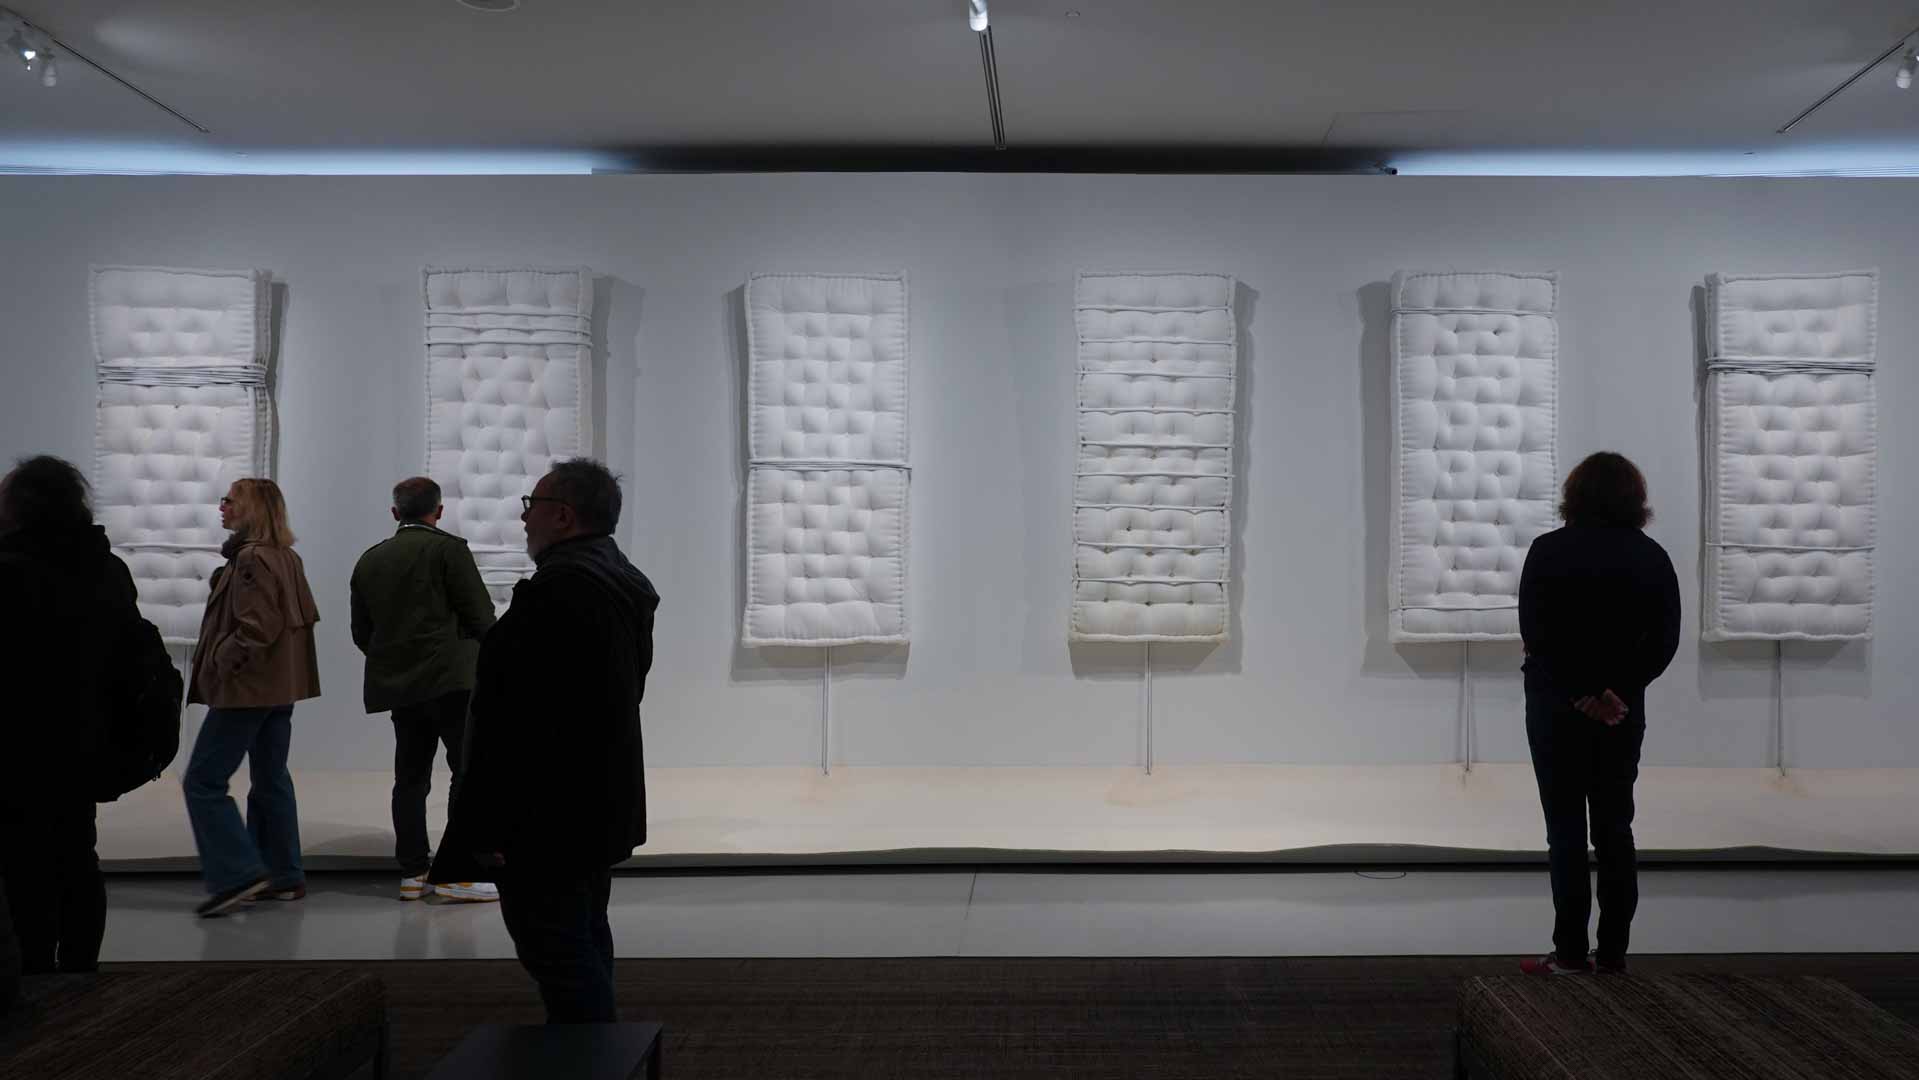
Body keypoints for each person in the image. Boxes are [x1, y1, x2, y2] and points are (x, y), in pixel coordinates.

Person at [431, 459, 658, 1023]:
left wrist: (488, 822)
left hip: (546, 816)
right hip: (591, 804)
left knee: (558, 950)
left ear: (563, 516)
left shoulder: (562, 594)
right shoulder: (616, 582)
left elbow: (517, 723)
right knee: (583, 933)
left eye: (531, 506)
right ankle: (600, 1048)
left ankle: (590, 1054)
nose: (524, 519)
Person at [1517, 451, 1681, 975]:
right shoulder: (1651, 557)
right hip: (1620, 714)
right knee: (1615, 830)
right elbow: (1664, 641)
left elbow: (1537, 634)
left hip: (1555, 709)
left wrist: (1580, 692)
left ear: (1574, 495)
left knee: (1564, 831)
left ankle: (1569, 954)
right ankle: (1612, 955)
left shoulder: (1548, 551)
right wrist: (1615, 692)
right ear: (1635, 499)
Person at [0, 455, 161, 972]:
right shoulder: (107, 569)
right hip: (86, 740)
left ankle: (36, 978)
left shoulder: (10, 572)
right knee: (76, 856)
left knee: (23, 866)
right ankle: (79, 977)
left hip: (17, 747)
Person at [350, 476, 499, 902]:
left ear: (395, 512)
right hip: (453, 681)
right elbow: (481, 616)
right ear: (440, 511)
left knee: (410, 779)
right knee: (466, 773)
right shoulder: (449, 550)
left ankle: (413, 872)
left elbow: (362, 632)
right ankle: (458, 872)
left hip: (402, 687)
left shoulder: (370, 560)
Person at [183, 477, 322, 917]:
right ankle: (283, 875)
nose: (222, 507)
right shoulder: (286, 556)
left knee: (202, 782)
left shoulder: (252, 559)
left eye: (230, 501)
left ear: (251, 510)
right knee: (270, 777)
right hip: (279, 689)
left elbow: (256, 627)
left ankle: (237, 874)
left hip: (249, 690)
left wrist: (221, 661)